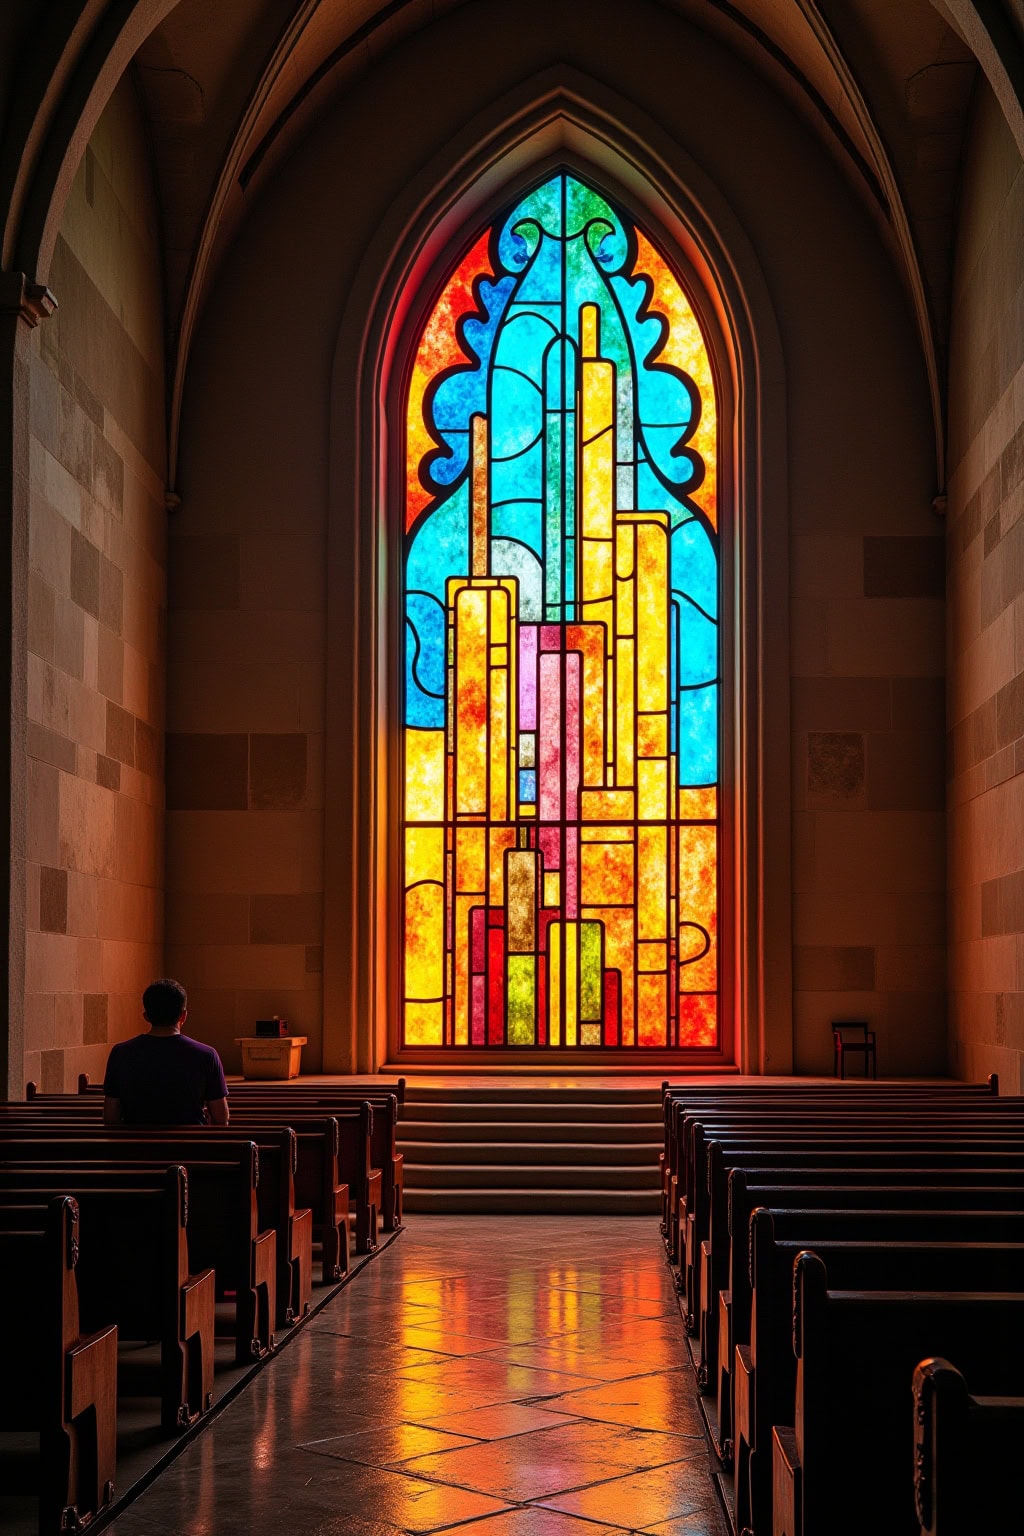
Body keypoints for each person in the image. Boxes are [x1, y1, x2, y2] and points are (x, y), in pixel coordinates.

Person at [103, 978, 230, 1127]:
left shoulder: (121, 1053)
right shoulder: (207, 1055)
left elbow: (111, 1116)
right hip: (191, 1147)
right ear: (184, 1016)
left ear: (146, 1016)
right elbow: (221, 1118)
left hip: (136, 1147)